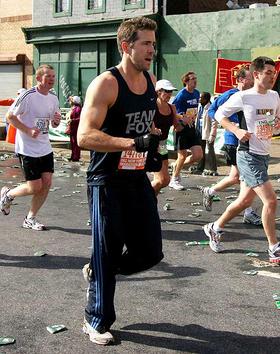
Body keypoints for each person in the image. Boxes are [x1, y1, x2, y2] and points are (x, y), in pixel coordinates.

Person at [77, 17, 163, 345]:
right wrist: (129, 142)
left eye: (153, 44)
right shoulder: (106, 84)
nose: (151, 50)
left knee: (151, 250)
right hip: (106, 180)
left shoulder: (150, 80)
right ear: (127, 46)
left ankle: (100, 269)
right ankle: (95, 319)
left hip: (136, 176)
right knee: (108, 248)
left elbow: (146, 127)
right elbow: (85, 136)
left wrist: (156, 149)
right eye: (146, 44)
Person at [203, 56, 280, 263]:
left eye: (274, 73)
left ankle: (214, 227)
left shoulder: (274, 96)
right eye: (268, 73)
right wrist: (236, 130)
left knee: (245, 200)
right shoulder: (244, 96)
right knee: (270, 201)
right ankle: (274, 248)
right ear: (256, 74)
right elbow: (219, 114)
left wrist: (274, 127)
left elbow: (276, 122)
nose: (273, 76)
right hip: (247, 155)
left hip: (264, 154)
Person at [0, 64, 61, 230]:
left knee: (47, 183)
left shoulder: (54, 98)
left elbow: (54, 124)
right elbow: (10, 116)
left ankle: (30, 218)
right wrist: (27, 130)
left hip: (45, 147)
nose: (51, 79)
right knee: (35, 187)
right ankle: (8, 194)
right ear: (39, 78)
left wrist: (56, 121)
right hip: (27, 148)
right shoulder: (28, 95)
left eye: (53, 76)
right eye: (48, 76)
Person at [201, 66, 262, 226]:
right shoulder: (231, 95)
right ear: (241, 80)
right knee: (245, 177)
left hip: (247, 142)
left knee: (236, 177)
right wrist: (229, 124)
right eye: (251, 77)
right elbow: (213, 110)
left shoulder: (252, 95)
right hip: (233, 141)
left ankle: (210, 191)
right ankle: (247, 212)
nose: (255, 79)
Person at [169, 71, 203, 190]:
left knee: (198, 155)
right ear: (186, 81)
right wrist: (182, 118)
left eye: (196, 78)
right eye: (192, 79)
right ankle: (174, 179)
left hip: (191, 128)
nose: (195, 81)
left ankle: (176, 166)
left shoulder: (197, 93)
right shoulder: (181, 95)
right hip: (181, 128)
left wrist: (193, 117)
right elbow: (173, 110)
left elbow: (194, 109)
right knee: (182, 156)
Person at [151, 79, 184, 195]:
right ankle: (145, 200)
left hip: (162, 145)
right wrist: (153, 129)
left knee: (165, 180)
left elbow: (177, 127)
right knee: (160, 179)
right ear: (159, 92)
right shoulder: (151, 106)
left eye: (171, 92)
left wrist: (186, 120)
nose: (169, 94)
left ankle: (149, 201)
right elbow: (145, 121)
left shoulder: (172, 108)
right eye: (167, 91)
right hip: (151, 145)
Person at [195, 91, 218, 175]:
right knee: (201, 151)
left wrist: (212, 134)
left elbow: (214, 122)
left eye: (201, 98)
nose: (199, 99)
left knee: (210, 150)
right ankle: (200, 168)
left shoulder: (210, 108)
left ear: (206, 99)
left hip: (208, 133)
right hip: (200, 132)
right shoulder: (200, 106)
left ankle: (213, 169)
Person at [66, 95, 82, 162]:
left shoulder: (78, 108)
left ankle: (76, 157)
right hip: (72, 128)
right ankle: (73, 156)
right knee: (72, 143)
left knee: (75, 143)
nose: (69, 102)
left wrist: (72, 120)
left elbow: (80, 118)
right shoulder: (73, 108)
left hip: (76, 128)